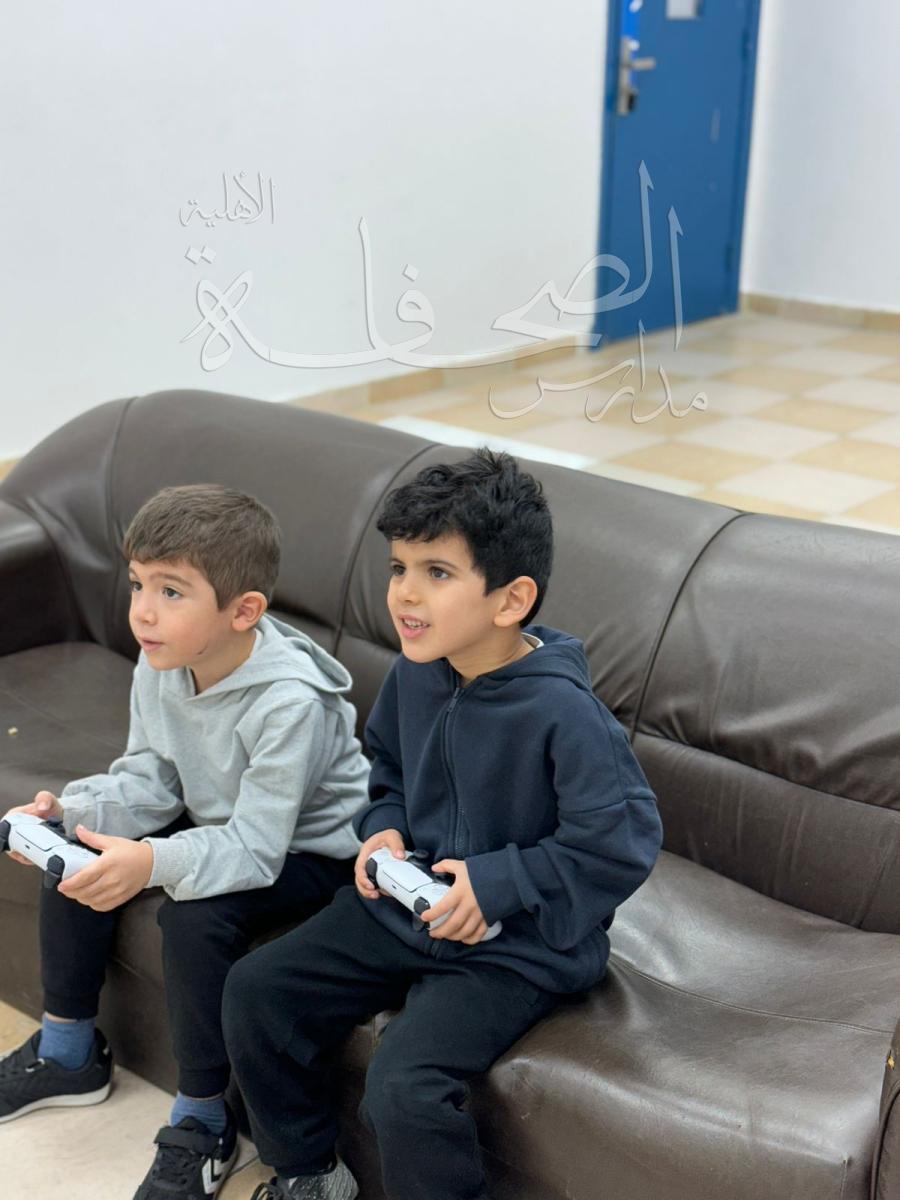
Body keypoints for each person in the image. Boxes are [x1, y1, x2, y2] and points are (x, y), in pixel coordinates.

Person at [221, 449, 664, 1200]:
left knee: (403, 1086)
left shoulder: (568, 715)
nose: (405, 592)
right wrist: (385, 827)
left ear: (510, 599)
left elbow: (621, 844)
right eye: (399, 568)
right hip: (406, 907)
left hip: (517, 948)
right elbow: (388, 767)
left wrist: (497, 885)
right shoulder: (415, 673)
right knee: (256, 989)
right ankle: (309, 1175)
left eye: (436, 572)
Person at [0, 483, 370, 1200]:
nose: (142, 609)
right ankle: (69, 1052)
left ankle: (203, 1121)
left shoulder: (290, 703)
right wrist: (72, 811)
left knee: (196, 917)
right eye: (139, 583)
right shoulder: (163, 658)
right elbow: (152, 779)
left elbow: (257, 848)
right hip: (220, 822)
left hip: (310, 851)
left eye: (171, 592)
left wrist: (152, 863)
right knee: (82, 845)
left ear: (244, 611)